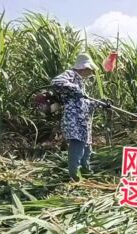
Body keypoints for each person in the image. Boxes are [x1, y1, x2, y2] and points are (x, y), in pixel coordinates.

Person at [51, 53, 109, 181]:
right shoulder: (71, 75)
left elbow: (85, 102)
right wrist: (75, 89)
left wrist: (101, 104)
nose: (90, 73)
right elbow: (56, 82)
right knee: (77, 146)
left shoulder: (81, 82)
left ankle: (86, 172)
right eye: (89, 70)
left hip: (83, 120)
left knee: (87, 148)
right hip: (74, 119)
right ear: (84, 67)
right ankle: (74, 176)